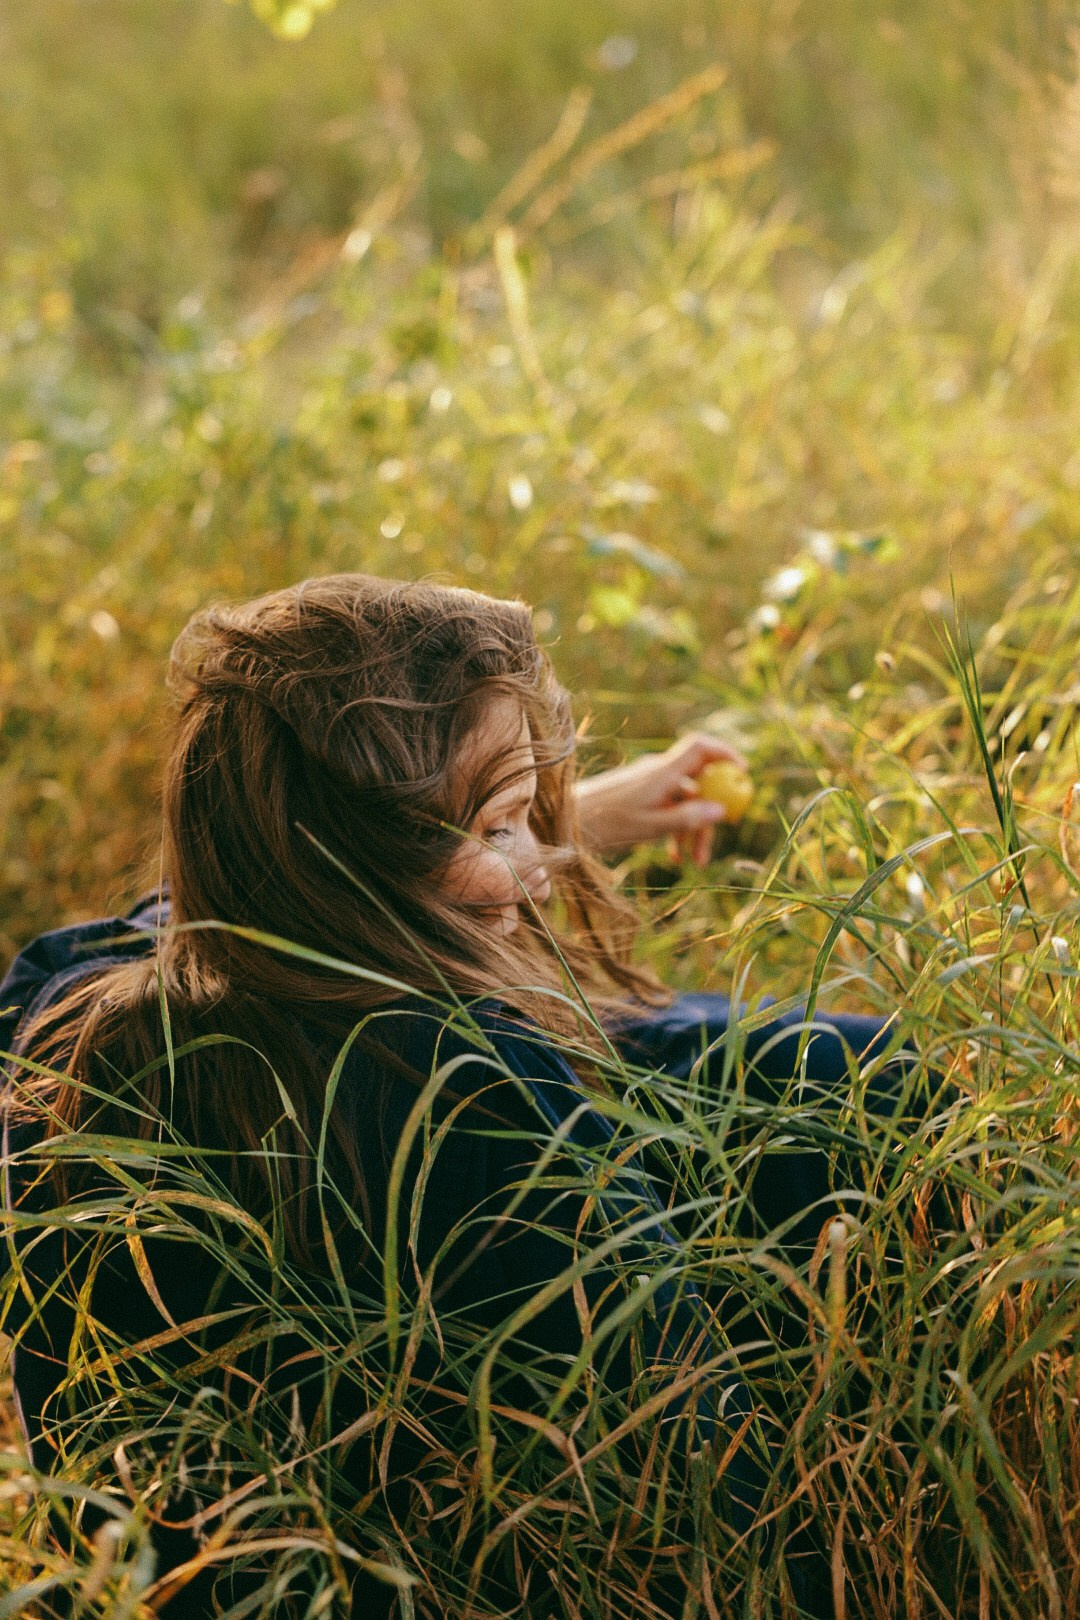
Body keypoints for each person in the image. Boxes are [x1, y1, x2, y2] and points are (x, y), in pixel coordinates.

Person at [0, 574, 916, 1617]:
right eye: (502, 827)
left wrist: (563, 820)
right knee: (851, 1081)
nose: (544, 868)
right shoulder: (477, 1092)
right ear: (356, 867)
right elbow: (699, 1457)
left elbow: (166, 915)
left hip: (140, 1579)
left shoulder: (64, 1014)